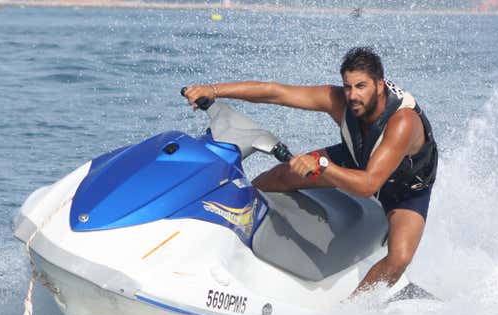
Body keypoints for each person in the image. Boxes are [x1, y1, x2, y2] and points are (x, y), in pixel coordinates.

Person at [183, 47, 437, 297]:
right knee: (281, 176)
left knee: (399, 259)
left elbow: (368, 185)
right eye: (348, 87)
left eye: (361, 86)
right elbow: (275, 93)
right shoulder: (339, 99)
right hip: (358, 158)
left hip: (406, 188)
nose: (353, 95)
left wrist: (323, 167)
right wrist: (214, 90)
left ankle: (350, 313)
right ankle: (238, 229)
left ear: (379, 85)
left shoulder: (403, 122)